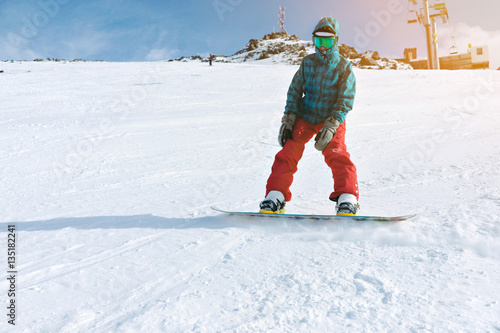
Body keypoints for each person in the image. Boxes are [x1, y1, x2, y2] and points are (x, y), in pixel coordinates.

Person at [259, 17, 359, 216]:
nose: (322, 47)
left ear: (336, 41)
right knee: (289, 151)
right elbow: (295, 91)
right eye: (318, 41)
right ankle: (276, 195)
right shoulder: (308, 63)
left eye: (327, 41)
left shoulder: (343, 67)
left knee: (336, 152)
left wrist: (332, 125)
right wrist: (289, 119)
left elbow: (346, 98)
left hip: (331, 119)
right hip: (306, 116)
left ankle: (348, 197)